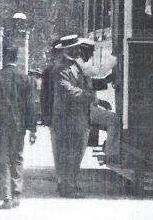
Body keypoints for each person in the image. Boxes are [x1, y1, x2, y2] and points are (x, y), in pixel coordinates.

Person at [0, 44, 37, 209]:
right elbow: (31, 106)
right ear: (16, 59)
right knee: (17, 158)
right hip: (18, 127)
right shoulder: (26, 79)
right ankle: (17, 194)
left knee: (2, 160)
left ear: (3, 58)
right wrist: (32, 129)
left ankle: (6, 198)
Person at [51, 36, 97, 198]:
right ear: (69, 50)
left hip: (79, 118)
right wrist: (89, 95)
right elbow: (68, 91)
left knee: (76, 154)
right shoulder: (61, 69)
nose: (79, 50)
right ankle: (67, 187)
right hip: (68, 120)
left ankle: (70, 184)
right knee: (69, 153)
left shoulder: (75, 65)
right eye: (77, 47)